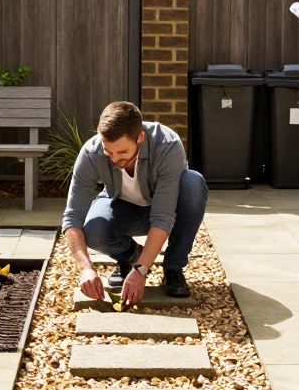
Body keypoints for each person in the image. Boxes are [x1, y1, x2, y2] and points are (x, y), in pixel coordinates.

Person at [62, 101, 208, 306]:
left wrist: (141, 271)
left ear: (139, 138)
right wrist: (85, 268)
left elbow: (162, 217)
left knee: (193, 184)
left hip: (164, 207)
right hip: (122, 205)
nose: (114, 159)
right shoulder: (91, 152)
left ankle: (173, 268)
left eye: (122, 153)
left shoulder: (167, 145)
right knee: (93, 230)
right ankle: (130, 257)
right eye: (108, 152)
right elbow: (72, 217)